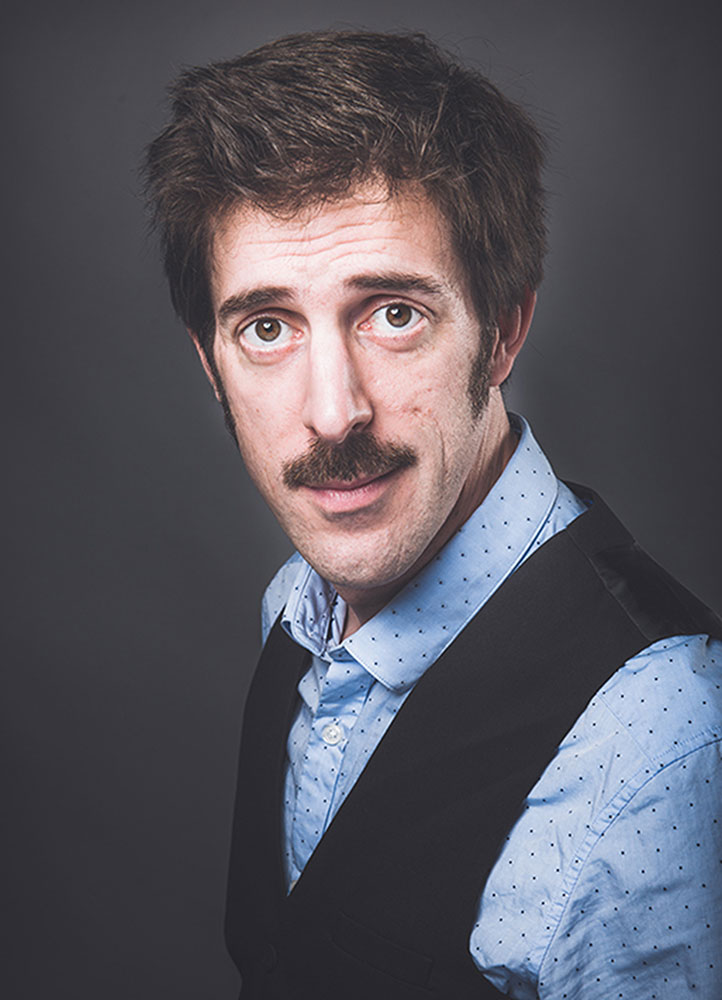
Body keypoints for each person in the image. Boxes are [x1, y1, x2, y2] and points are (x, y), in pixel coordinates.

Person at [144, 30, 722, 998]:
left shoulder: (661, 747)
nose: (333, 412)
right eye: (268, 328)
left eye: (392, 313)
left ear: (501, 332)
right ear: (211, 364)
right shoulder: (296, 607)